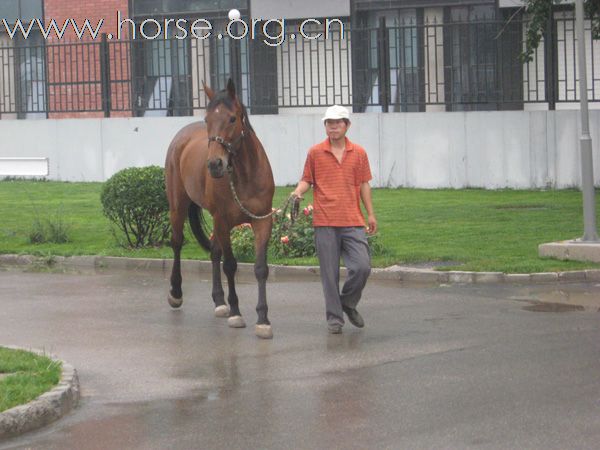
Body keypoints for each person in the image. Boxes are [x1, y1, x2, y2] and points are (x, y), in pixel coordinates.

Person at [291, 105, 377, 334]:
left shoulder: (359, 153)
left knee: (362, 267)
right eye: (329, 123)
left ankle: (347, 303)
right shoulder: (315, 152)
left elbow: (364, 184)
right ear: (325, 126)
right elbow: (307, 180)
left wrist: (370, 213)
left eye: (338, 122)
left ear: (347, 125)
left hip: (352, 220)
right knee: (329, 275)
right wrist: (299, 191)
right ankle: (334, 319)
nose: (333, 126)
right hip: (325, 222)